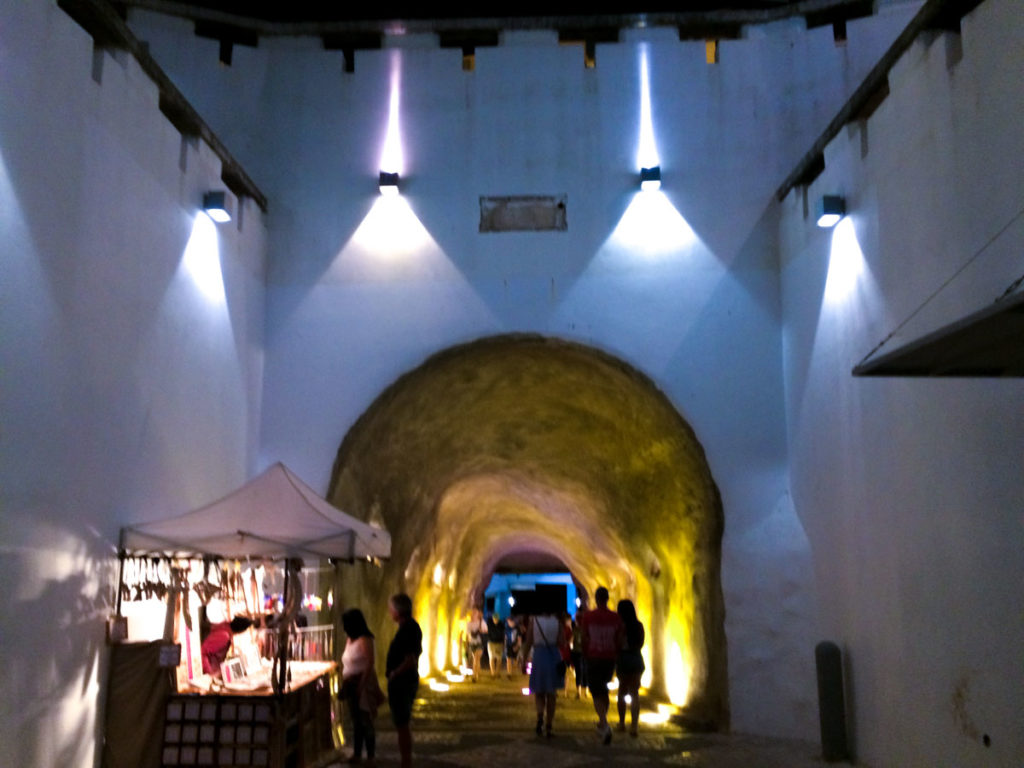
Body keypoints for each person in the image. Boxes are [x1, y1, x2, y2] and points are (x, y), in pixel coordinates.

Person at [580, 586, 624, 745]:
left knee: (596, 691)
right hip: (610, 657)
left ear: (596, 599)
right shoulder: (616, 618)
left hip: (594, 656)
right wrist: (616, 653)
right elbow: (619, 638)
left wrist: (585, 654)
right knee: (603, 688)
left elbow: (585, 637)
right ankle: (601, 721)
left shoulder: (588, 617)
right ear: (607, 599)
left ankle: (604, 724)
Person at [340, 609, 384, 765]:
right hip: (351, 684)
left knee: (366, 720)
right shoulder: (349, 639)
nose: (344, 628)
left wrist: (362, 684)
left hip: (363, 685)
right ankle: (357, 753)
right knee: (356, 721)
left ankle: (371, 756)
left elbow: (369, 662)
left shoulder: (365, 639)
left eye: (346, 624)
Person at [385, 593, 422, 768]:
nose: (389, 611)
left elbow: (410, 659)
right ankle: (405, 760)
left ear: (398, 611)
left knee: (402, 724)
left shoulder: (408, 629)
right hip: (404, 681)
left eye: (391, 608)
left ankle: (406, 762)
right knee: (402, 723)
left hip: (403, 683)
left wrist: (394, 673)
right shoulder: (409, 627)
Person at [523, 605, 569, 738]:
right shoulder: (557, 623)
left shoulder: (534, 621)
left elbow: (529, 641)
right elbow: (562, 642)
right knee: (551, 694)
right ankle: (549, 725)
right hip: (553, 656)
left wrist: (524, 660)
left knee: (539, 691)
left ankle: (539, 718)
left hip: (539, 656)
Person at [615, 599, 645, 738]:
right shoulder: (639, 626)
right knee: (635, 694)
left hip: (624, 659)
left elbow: (618, 643)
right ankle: (634, 725)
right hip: (636, 659)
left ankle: (622, 723)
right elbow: (641, 643)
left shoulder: (620, 626)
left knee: (622, 692)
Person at [465, 608, 486, 682]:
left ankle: (474, 676)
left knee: (476, 659)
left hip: (479, 642)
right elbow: (467, 634)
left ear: (478, 614)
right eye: (473, 612)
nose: (473, 614)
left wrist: (481, 631)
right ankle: (477, 673)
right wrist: (467, 643)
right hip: (472, 643)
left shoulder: (481, 622)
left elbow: (486, 630)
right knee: (476, 660)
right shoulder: (469, 623)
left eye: (475, 612)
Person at [570, 612, 587, 699]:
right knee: (584, 672)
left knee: (579, 672)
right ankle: (585, 692)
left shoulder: (575, 630)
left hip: (577, 652)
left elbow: (571, 641)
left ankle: (579, 692)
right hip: (584, 653)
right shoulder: (585, 629)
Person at [486, 612, 504, 677]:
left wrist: (503, 643)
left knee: (499, 659)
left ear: (498, 619)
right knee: (491, 658)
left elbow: (503, 635)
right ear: (492, 618)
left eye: (496, 619)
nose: (495, 620)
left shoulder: (501, 625)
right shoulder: (489, 624)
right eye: (494, 619)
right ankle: (493, 673)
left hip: (499, 643)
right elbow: (487, 632)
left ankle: (497, 672)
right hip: (491, 643)